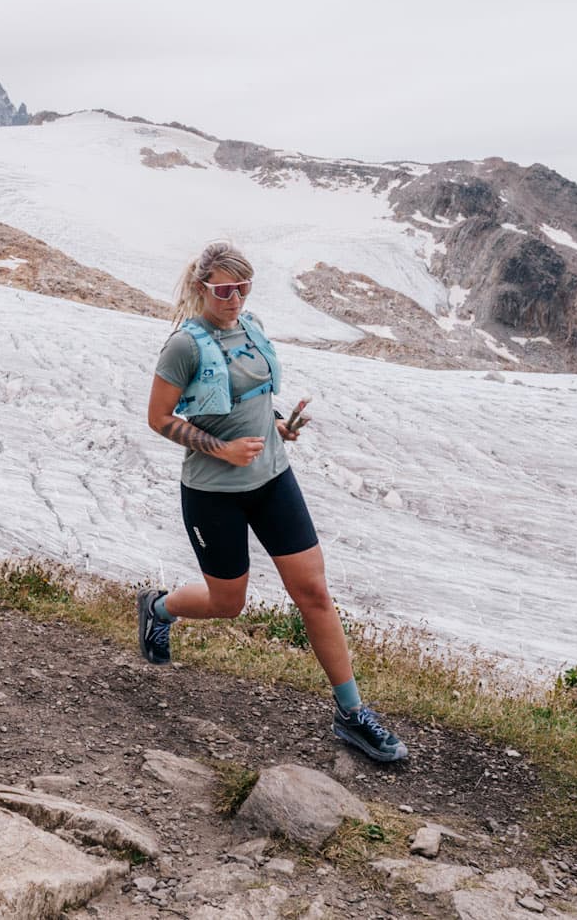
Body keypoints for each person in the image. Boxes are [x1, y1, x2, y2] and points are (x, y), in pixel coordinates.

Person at [138, 240, 408, 763]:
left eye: (243, 286)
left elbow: (249, 397)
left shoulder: (252, 327)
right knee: (228, 604)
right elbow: (159, 418)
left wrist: (280, 426)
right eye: (223, 288)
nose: (234, 297)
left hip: (273, 478)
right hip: (213, 491)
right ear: (202, 288)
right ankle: (158, 607)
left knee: (313, 593)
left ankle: (352, 714)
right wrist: (223, 449)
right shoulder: (184, 346)